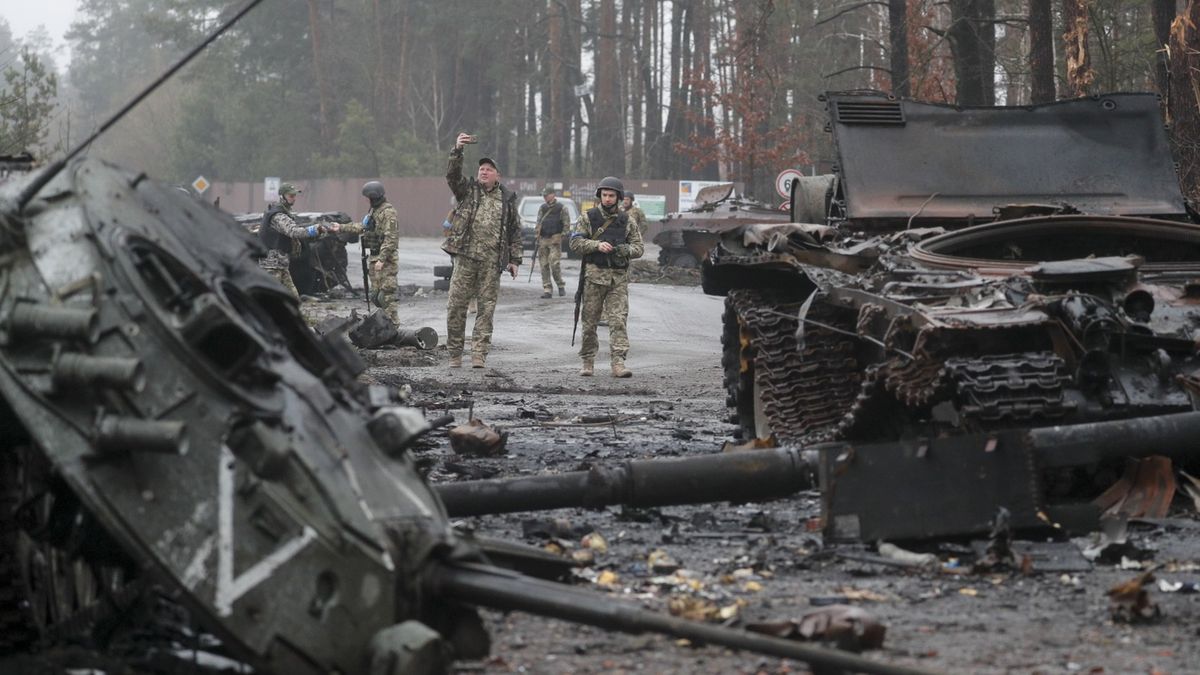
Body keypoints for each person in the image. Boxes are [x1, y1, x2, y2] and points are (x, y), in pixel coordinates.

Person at [443, 132, 522, 368]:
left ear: (497, 174)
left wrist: (515, 259)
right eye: (481, 169)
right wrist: (457, 150)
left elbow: (515, 231)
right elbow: (451, 175)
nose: (483, 172)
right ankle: (455, 354)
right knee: (456, 307)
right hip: (465, 258)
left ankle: (479, 354)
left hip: (490, 263)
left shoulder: (506, 199)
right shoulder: (468, 191)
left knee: (486, 311)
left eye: (489, 169)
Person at [569, 176, 644, 378]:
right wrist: (596, 245)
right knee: (590, 321)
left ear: (618, 197)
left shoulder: (627, 220)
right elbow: (575, 243)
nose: (608, 199)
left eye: (612, 195)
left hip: (617, 280)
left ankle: (618, 363)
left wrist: (624, 249)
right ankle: (587, 362)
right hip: (593, 277)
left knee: (618, 321)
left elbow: (639, 248)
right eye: (605, 195)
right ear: (600, 196)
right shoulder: (588, 217)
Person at [341, 181, 400, 324]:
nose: (366, 200)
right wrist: (341, 227)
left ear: (373, 196)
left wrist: (382, 259)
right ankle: (384, 323)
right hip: (374, 257)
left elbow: (391, 238)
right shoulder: (374, 211)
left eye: (367, 197)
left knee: (386, 296)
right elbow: (363, 227)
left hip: (385, 260)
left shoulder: (388, 212)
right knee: (375, 296)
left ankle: (393, 325)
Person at [258, 182, 325, 299]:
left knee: (293, 299)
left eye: (294, 196)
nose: (294, 199)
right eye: (291, 196)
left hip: (281, 264)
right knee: (270, 300)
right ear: (282, 196)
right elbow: (293, 232)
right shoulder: (278, 215)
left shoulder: (284, 213)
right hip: (271, 265)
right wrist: (314, 229)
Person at [536, 186, 569, 298]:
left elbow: (566, 224)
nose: (545, 197)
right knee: (543, 265)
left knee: (554, 264)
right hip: (543, 239)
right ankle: (547, 289)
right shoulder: (543, 208)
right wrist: (537, 234)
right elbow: (539, 222)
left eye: (547, 195)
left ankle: (560, 285)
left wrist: (562, 236)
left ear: (553, 195)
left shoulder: (561, 208)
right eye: (544, 195)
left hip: (555, 239)